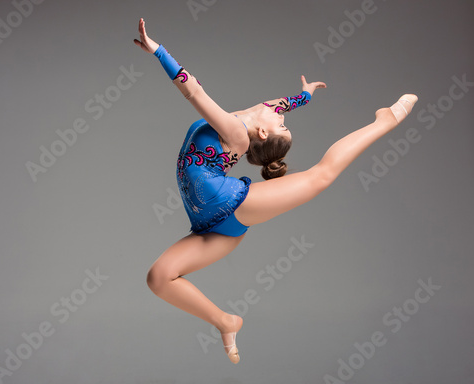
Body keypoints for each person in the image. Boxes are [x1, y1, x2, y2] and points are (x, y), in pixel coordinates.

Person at [134, 18, 417, 364]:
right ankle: (225, 321)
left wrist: (158, 51)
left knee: (320, 177)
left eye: (282, 125)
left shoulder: (236, 133)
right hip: (208, 226)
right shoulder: (265, 112)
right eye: (283, 119)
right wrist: (306, 94)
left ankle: (384, 121)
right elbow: (284, 104)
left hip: (229, 203)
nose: (281, 116)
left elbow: (193, 91)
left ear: (264, 136)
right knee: (158, 278)